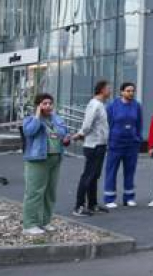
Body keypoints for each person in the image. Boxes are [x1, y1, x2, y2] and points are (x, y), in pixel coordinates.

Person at [22, 93, 70, 235]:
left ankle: (45, 221)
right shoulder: (31, 119)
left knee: (50, 192)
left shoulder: (57, 119)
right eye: (44, 103)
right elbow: (29, 132)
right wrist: (37, 115)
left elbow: (64, 133)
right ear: (38, 105)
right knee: (35, 192)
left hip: (55, 158)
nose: (48, 106)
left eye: (50, 103)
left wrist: (66, 138)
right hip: (38, 160)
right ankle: (29, 224)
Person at [72, 80, 111, 216]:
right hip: (93, 145)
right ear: (101, 90)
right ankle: (79, 206)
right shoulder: (94, 105)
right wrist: (81, 133)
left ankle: (92, 204)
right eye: (108, 88)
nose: (110, 91)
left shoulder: (100, 105)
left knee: (94, 176)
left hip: (100, 144)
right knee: (88, 176)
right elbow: (88, 123)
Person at [104, 82, 142, 208]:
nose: (131, 93)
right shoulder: (112, 106)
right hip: (115, 144)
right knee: (111, 171)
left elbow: (139, 124)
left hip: (131, 145)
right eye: (128, 91)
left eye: (132, 91)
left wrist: (138, 138)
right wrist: (108, 141)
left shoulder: (136, 106)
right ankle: (109, 198)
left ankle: (129, 197)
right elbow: (106, 124)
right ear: (121, 92)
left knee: (130, 171)